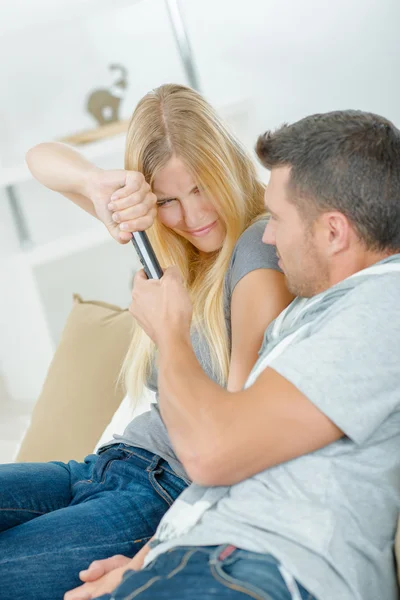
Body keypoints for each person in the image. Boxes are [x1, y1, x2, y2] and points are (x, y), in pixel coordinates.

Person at [66, 109, 400, 600]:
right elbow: (233, 466)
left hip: (261, 566)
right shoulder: (313, 316)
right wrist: (142, 564)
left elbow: (211, 453)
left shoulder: (381, 308)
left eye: (279, 219)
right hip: (205, 553)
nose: (266, 235)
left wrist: (171, 333)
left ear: (333, 231)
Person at [0, 84, 292, 600]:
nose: (194, 214)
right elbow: (39, 158)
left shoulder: (257, 247)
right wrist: (97, 184)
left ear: (227, 164)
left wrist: (154, 551)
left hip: (162, 491)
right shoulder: (166, 240)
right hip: (104, 465)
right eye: (168, 200)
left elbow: (240, 440)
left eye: (204, 186)